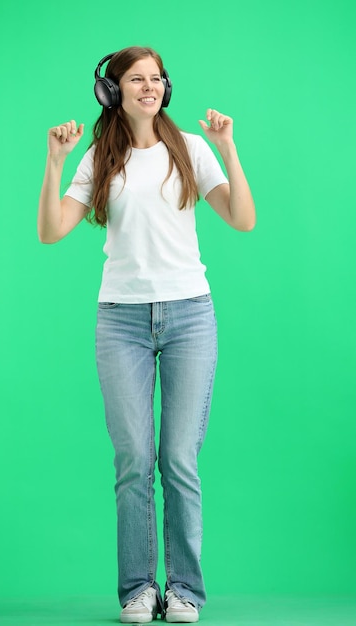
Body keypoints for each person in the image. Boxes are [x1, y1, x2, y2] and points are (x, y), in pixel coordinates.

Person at [38, 46, 255, 624]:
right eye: (136, 79)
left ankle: (184, 589)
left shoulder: (191, 147)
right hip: (122, 321)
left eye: (157, 78)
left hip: (189, 316)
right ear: (111, 91)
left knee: (179, 457)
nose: (150, 86)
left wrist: (229, 147)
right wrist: (56, 161)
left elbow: (242, 216)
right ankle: (138, 589)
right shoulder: (100, 157)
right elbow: (51, 230)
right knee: (134, 458)